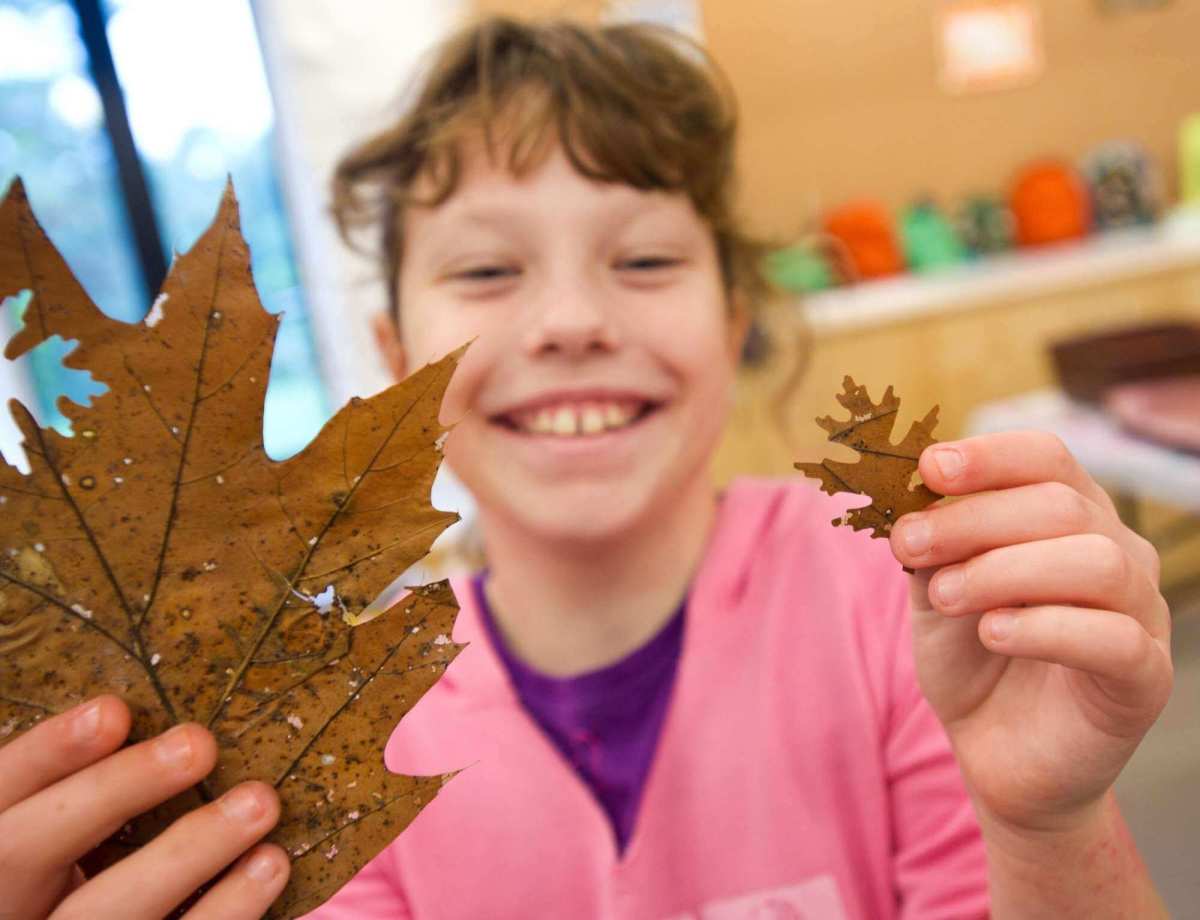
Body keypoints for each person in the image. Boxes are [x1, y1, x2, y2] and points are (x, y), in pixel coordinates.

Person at [0, 16, 1174, 920]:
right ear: (397, 356)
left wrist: (1048, 821)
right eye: (489, 272)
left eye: (647, 257)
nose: (568, 319)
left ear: (732, 320)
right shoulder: (337, 724)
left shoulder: (910, 620)